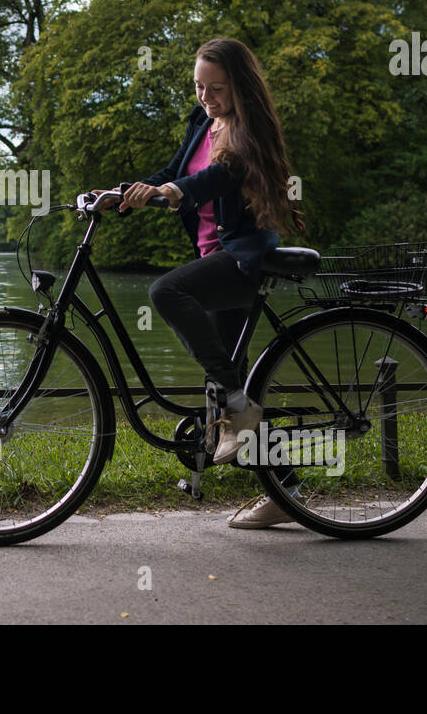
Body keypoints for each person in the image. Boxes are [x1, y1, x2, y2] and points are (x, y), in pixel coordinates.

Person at [94, 37, 305, 528]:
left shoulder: (246, 131)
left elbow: (216, 177)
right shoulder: (201, 121)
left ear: (240, 87)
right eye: (198, 86)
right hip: (212, 254)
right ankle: (287, 493)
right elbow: (174, 172)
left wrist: (171, 192)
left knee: (165, 292)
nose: (206, 97)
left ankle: (238, 411)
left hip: (242, 256)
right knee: (228, 377)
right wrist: (122, 193)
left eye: (217, 88)